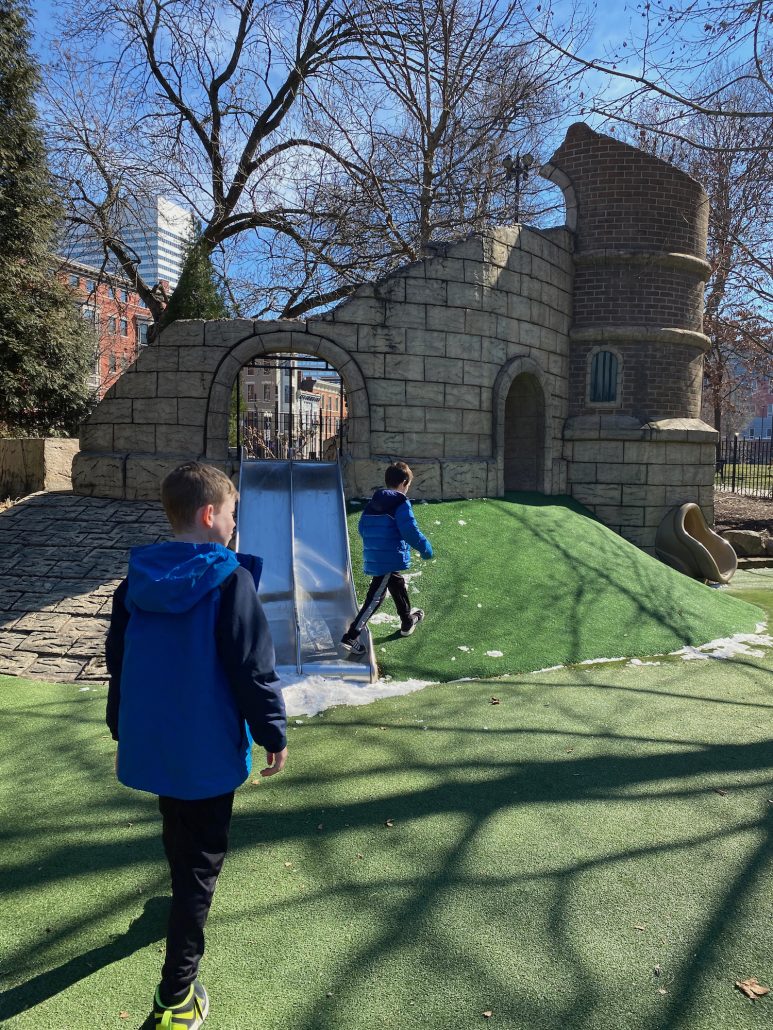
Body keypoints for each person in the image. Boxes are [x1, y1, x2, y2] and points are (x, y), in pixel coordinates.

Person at [105, 462, 287, 1030]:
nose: (236, 524)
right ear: (211, 515)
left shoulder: (135, 581)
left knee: (177, 826)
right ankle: (176, 995)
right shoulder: (230, 581)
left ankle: (180, 894)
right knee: (201, 868)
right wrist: (272, 732)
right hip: (204, 749)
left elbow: (120, 664)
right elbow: (252, 669)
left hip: (155, 742)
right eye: (233, 513)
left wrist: (121, 722)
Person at [341, 461, 433, 656]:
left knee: (396, 583)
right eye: (408, 485)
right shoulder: (400, 502)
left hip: (377, 552)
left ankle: (407, 621)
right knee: (376, 596)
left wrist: (377, 542)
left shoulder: (374, 501)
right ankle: (351, 635)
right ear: (404, 483)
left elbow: (362, 527)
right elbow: (409, 531)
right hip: (388, 555)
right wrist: (425, 548)